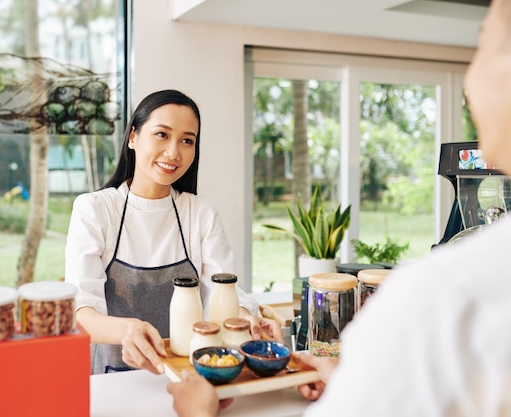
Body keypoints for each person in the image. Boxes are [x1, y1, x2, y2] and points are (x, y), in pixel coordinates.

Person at [167, 1, 511, 415]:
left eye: (483, 42)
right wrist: (352, 377)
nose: (470, 82)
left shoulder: (443, 300)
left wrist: (198, 413)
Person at [64, 89, 282, 375]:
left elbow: (222, 290)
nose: (173, 152)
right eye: (162, 135)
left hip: (186, 374)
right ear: (133, 137)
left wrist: (244, 319)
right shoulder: (95, 209)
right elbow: (81, 311)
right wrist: (128, 329)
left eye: (187, 140)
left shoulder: (199, 213)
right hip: (111, 376)